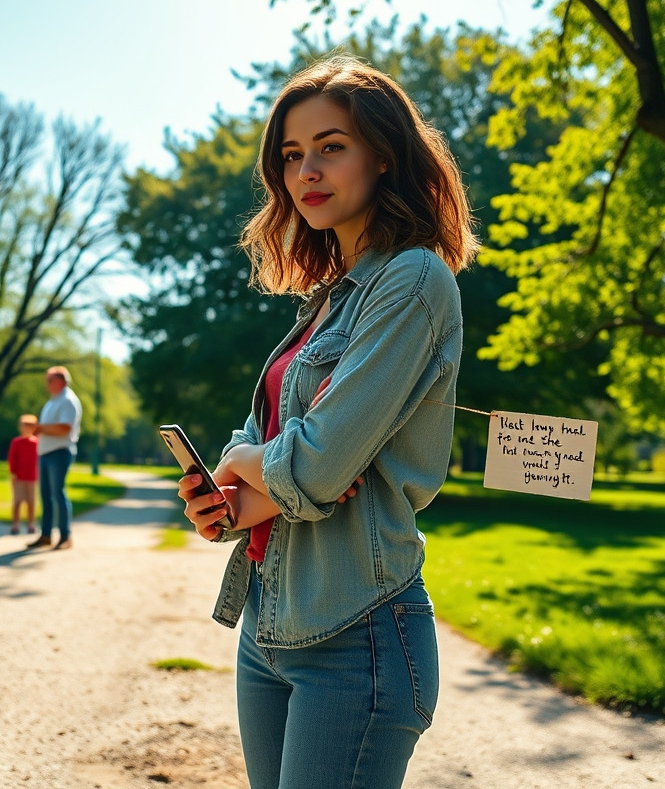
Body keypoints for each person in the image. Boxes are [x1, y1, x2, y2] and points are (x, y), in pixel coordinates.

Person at [176, 57, 477, 789]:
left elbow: (314, 465)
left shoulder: (413, 279)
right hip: (267, 623)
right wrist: (230, 499)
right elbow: (270, 446)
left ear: (383, 155)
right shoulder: (330, 298)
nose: (306, 171)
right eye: (291, 155)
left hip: (357, 636)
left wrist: (253, 467)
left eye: (330, 147)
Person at [28, 366, 81, 550]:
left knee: (58, 494)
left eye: (50, 380)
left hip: (59, 452)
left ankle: (65, 536)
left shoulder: (68, 401)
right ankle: (46, 535)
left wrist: (41, 428)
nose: (47, 384)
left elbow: (65, 428)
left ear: (61, 381)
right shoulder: (53, 401)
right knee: (46, 496)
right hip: (46, 453)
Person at [7, 414, 39, 536]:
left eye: (28, 426)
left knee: (31, 502)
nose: (25, 428)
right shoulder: (17, 442)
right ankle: (15, 524)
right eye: (23, 426)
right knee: (17, 501)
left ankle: (31, 524)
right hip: (19, 477)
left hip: (32, 477)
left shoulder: (37, 442)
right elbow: (12, 458)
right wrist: (13, 473)